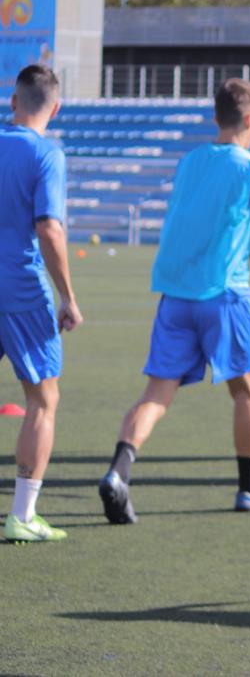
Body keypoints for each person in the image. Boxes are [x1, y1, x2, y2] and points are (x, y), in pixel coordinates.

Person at [98, 78, 250, 524]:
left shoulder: (189, 162)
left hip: (175, 295)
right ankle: (249, 489)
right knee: (246, 391)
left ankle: (118, 472)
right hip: (223, 294)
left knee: (157, 394)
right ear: (249, 119)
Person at [1, 65, 83, 543]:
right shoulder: (46, 155)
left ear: (12, 102)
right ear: (55, 108)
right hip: (21, 290)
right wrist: (69, 297)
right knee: (42, 399)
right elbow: (49, 228)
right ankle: (23, 515)